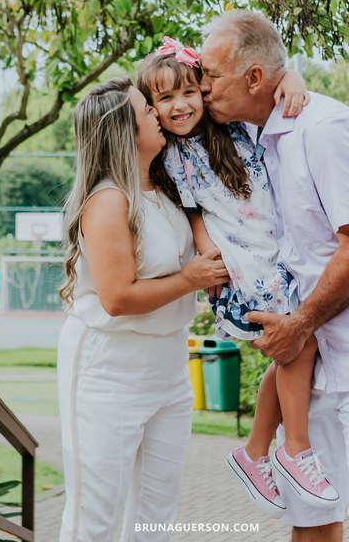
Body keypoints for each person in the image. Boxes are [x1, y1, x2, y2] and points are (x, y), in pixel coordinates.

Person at [200, 10, 349, 542]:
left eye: (211, 75)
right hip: (314, 361)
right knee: (310, 523)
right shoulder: (256, 134)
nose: (202, 85)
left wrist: (299, 324)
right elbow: (162, 100)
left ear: (255, 79)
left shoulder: (326, 129)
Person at [135, 42, 340, 519]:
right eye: (164, 100)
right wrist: (210, 258)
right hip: (244, 269)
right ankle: (295, 450)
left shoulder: (234, 127)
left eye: (189, 91)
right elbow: (194, 215)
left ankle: (254, 454)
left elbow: (271, 89)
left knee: (292, 350)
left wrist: (290, 78)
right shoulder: (171, 156)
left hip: (274, 253)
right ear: (152, 110)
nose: (180, 105)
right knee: (298, 343)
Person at [56, 77, 230, 542]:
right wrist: (190, 279)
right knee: (94, 514)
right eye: (146, 110)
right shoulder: (109, 199)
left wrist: (290, 80)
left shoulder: (168, 184)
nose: (158, 111)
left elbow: (199, 87)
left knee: (156, 517)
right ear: (124, 132)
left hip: (169, 367)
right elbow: (117, 298)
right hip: (108, 368)